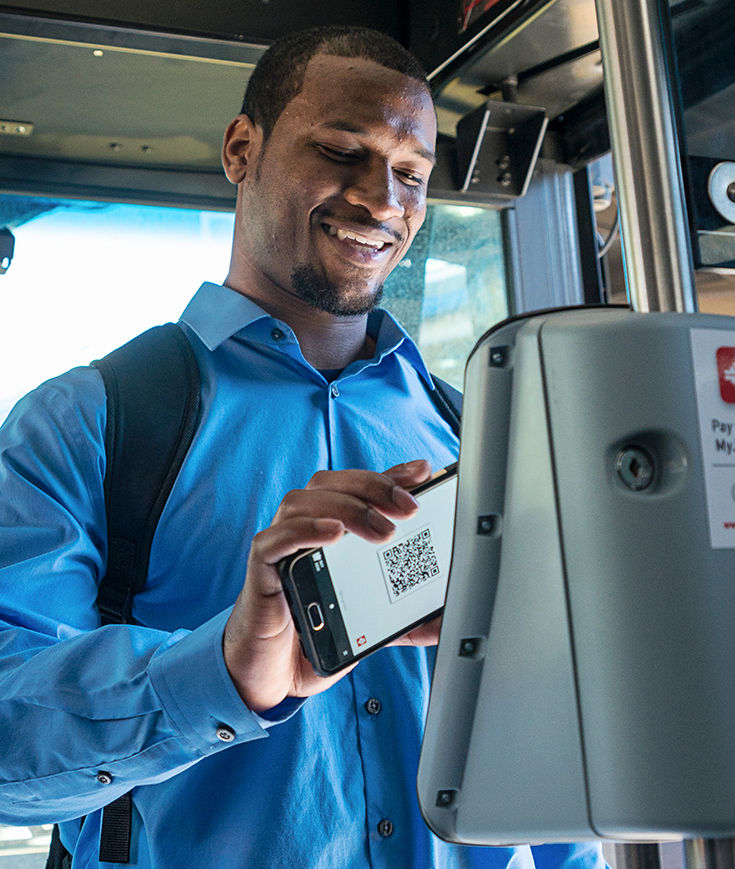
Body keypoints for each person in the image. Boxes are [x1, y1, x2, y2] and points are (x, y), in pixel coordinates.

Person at [0, 26, 606, 869]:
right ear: (242, 148)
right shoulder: (84, 424)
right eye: (341, 150)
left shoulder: (480, 437)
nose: (381, 199)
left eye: (411, 174)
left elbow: (544, 754)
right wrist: (223, 672)